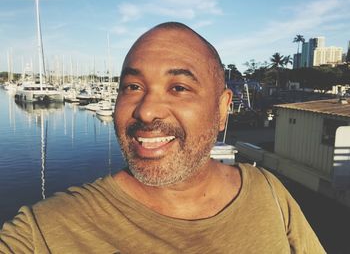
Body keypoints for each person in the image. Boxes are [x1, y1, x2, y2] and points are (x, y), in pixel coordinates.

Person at [0, 22, 325, 253]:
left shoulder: (269, 192)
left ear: (223, 107)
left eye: (179, 88)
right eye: (133, 87)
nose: (146, 111)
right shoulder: (41, 233)